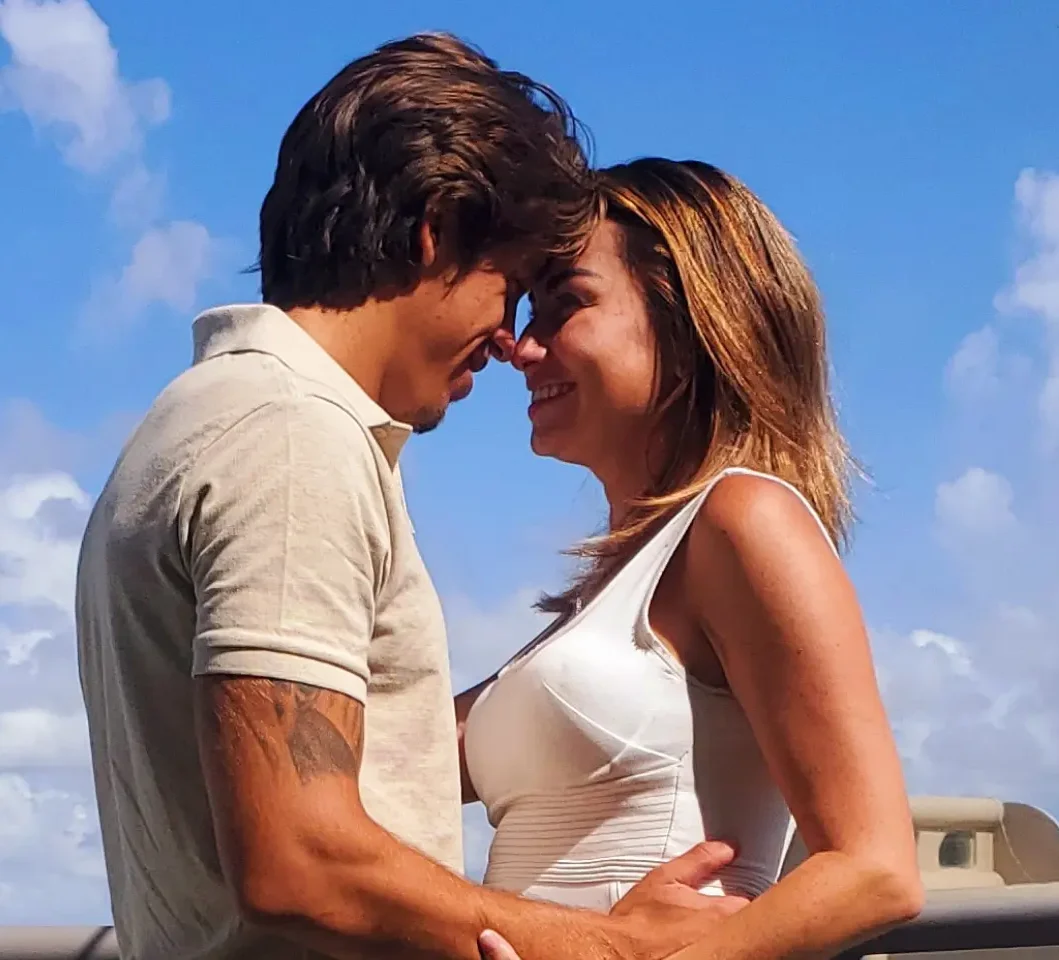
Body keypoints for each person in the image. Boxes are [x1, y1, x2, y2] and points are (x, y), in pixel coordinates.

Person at [75, 35, 748, 960]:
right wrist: (612, 946)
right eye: (509, 288)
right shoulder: (290, 436)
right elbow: (300, 860)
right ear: (435, 228)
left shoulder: (188, 424)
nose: (510, 341)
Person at [461, 158, 925, 960]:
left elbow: (876, 868)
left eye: (564, 305)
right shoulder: (607, 600)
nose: (521, 348)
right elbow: (387, 753)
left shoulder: (744, 519)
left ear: (685, 322)